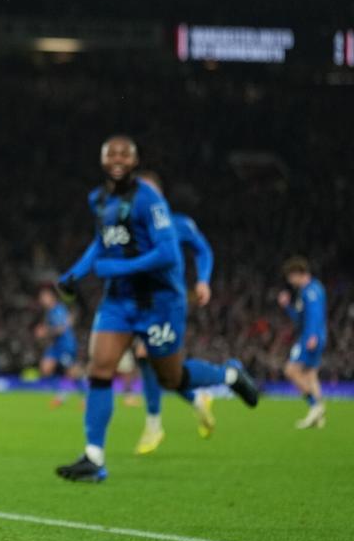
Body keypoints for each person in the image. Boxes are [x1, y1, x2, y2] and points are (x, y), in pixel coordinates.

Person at [53, 136, 259, 483]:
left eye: (124, 154)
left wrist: (117, 269)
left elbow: (168, 254)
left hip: (160, 302)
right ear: (102, 160)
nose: (117, 159)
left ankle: (229, 375)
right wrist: (75, 272)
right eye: (110, 153)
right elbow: (100, 242)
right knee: (99, 368)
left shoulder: (153, 204)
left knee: (172, 378)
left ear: (134, 161)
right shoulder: (99, 199)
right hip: (119, 300)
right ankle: (93, 457)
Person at [131, 171, 218, 454]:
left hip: (167, 303)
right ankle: (197, 399)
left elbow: (203, 249)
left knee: (147, 357)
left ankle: (154, 425)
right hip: (140, 302)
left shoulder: (177, 225)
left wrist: (203, 279)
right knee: (162, 369)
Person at [278, 256, 328, 429]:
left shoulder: (311, 290)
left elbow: (315, 314)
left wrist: (313, 335)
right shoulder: (308, 291)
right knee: (310, 375)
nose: (290, 282)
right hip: (313, 334)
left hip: (310, 336)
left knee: (290, 370)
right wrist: (287, 306)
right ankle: (319, 418)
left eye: (291, 277)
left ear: (298, 273)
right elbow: (299, 319)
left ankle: (315, 406)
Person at [35, 285, 83, 407]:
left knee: (72, 372)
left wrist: (45, 331)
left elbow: (61, 329)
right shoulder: (50, 312)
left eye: (44, 297)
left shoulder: (58, 310)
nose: (42, 300)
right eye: (41, 297)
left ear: (52, 297)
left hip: (66, 345)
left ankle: (87, 397)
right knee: (45, 367)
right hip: (56, 345)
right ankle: (60, 394)